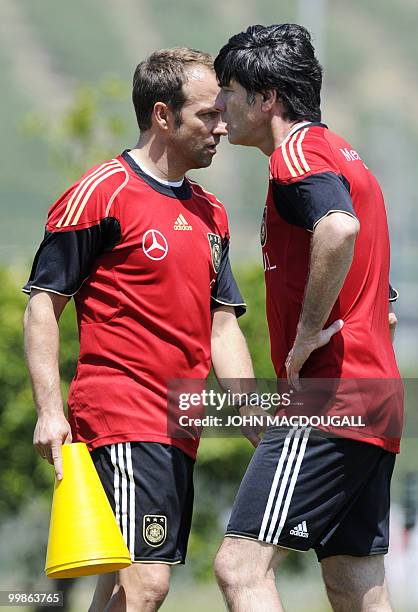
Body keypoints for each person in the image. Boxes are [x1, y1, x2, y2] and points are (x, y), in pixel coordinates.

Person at [23, 47, 254, 612]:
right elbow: (41, 307)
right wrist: (50, 411)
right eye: (208, 115)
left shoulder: (211, 213)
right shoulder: (102, 191)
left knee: (119, 583)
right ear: (163, 116)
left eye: (224, 113)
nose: (222, 127)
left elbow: (222, 325)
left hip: (180, 423)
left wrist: (254, 416)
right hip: (123, 414)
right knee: (147, 581)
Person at [213, 24, 402, 612]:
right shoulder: (344, 155)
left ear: (266, 98)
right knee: (354, 583)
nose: (219, 106)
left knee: (239, 566)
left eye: (229, 90)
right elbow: (385, 305)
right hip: (377, 397)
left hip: (330, 397)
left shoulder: (296, 154)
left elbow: (338, 230)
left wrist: (302, 339)